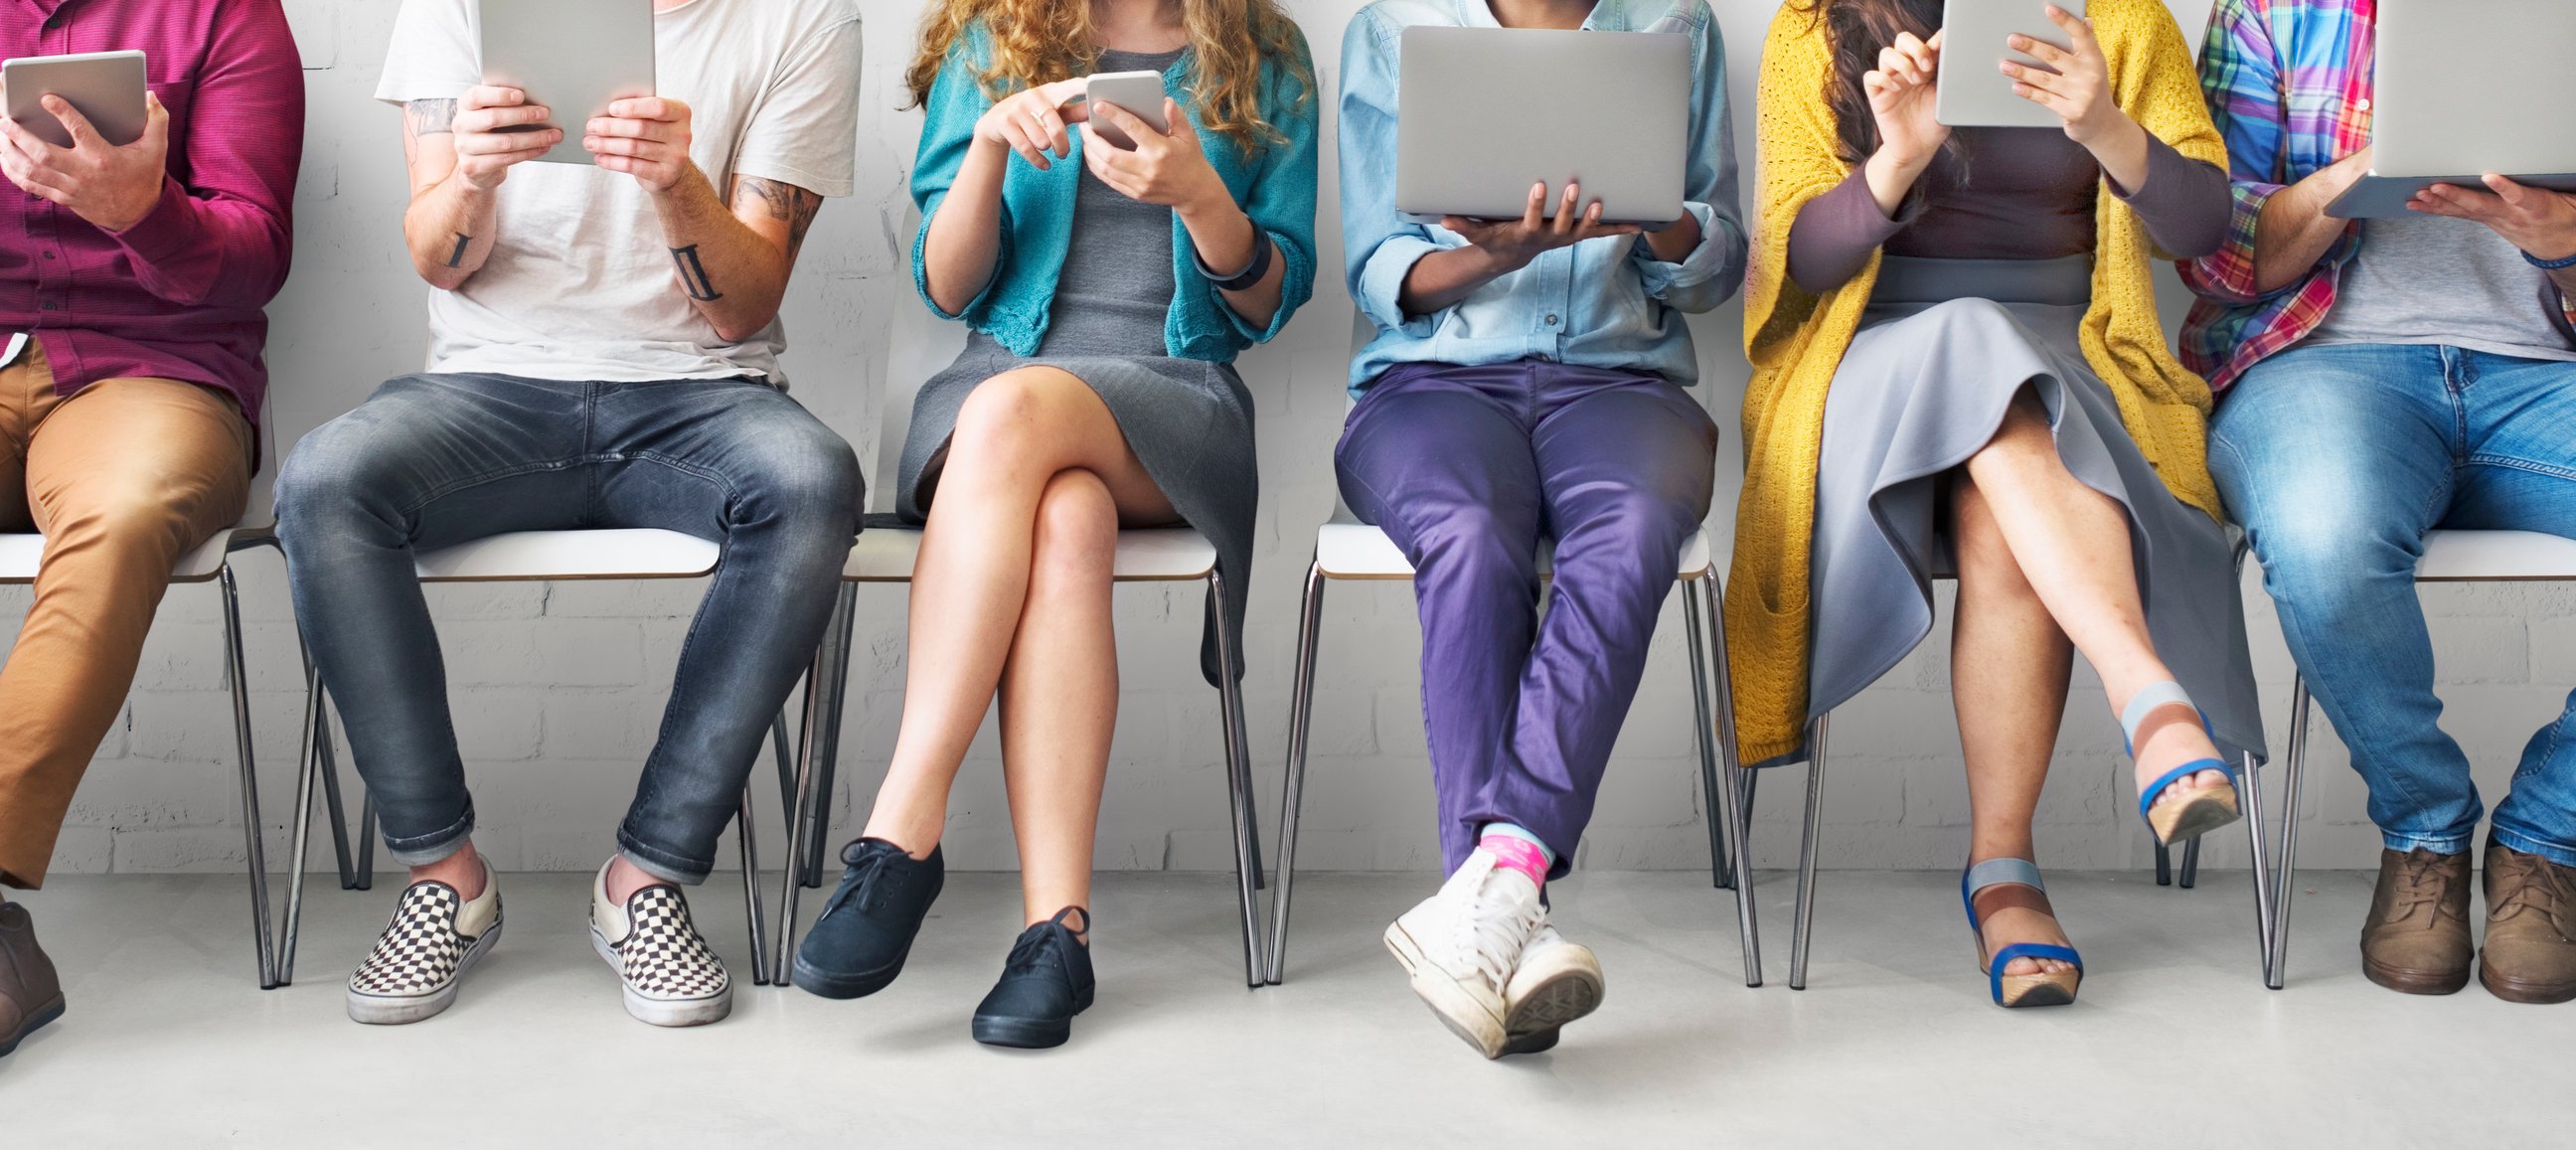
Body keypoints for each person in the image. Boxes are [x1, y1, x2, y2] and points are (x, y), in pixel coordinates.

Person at [275, 0, 864, 1029]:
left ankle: (646, 880)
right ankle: (446, 879)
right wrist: (473, 174)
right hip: (489, 387)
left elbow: (745, 305)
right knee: (326, 480)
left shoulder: (801, 18)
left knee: (811, 481)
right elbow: (437, 256)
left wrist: (677, 183)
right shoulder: (457, 5)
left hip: (699, 393)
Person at [787, 0, 1315, 1050]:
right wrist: (987, 148)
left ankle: (901, 828)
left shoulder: (1264, 50)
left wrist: (1200, 194)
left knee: (1013, 412)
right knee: (1067, 517)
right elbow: (948, 290)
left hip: (1174, 402)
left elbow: (1268, 302)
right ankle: (1056, 932)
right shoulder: (992, 40)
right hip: (1000, 393)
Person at [1732, 0, 2257, 1009]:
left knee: (2006, 499)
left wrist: (2103, 124)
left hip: (2068, 355)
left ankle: (2004, 874)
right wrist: (1898, 159)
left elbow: (2201, 229)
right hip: (1869, 365)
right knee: (1974, 336)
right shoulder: (1811, 27)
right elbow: (1798, 261)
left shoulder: (2120, 19)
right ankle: (2149, 697)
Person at [1337, 0, 1743, 1057]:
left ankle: (1495, 890)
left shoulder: (1673, 23)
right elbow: (1378, 272)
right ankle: (1505, 909)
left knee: (1637, 523)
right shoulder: (1393, 27)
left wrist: (1654, 219)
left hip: (1622, 385)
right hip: (1431, 388)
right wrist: (1496, 257)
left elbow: (1716, 267)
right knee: (1470, 532)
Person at [2183, 0, 2576, 1005]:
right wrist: (2357, 177)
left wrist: (2566, 238)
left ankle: (2548, 835)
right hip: (2325, 364)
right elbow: (2219, 257)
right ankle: (2425, 831)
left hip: (2547, 373)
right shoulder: (2273, 13)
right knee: (2323, 536)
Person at [0, 0, 302, 1060]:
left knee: (122, 514)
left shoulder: (223, 15)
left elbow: (257, 256)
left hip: (156, 370)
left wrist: (144, 211)